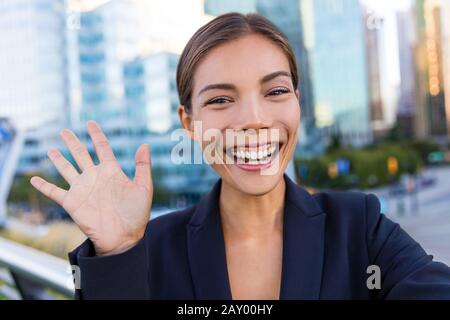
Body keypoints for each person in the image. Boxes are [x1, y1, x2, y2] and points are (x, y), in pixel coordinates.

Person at [30, 12, 450, 300]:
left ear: (298, 102)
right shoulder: (149, 250)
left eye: (276, 91)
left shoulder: (361, 228)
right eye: (220, 99)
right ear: (189, 122)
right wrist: (117, 255)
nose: (253, 119)